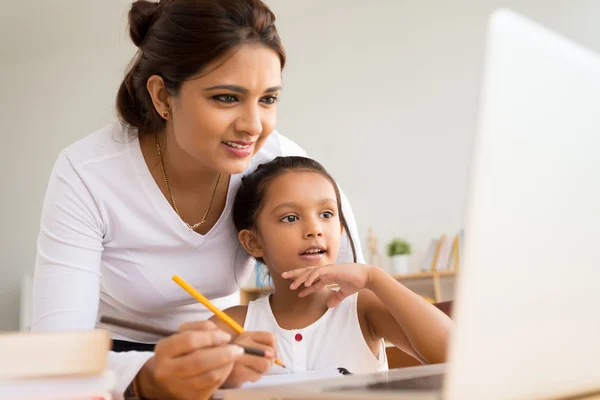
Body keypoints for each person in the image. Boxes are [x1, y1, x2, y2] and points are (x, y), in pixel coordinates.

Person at [30, 1, 363, 399]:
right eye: (226, 98)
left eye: (268, 99)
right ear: (163, 97)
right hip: (113, 365)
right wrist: (147, 376)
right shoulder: (88, 172)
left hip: (225, 353)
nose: (253, 126)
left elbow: (348, 292)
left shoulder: (279, 166)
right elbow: (55, 351)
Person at [213, 156, 452, 375]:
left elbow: (456, 358)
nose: (315, 229)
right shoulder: (232, 325)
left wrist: (374, 277)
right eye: (290, 218)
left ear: (339, 230)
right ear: (253, 242)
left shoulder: (362, 308)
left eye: (326, 214)